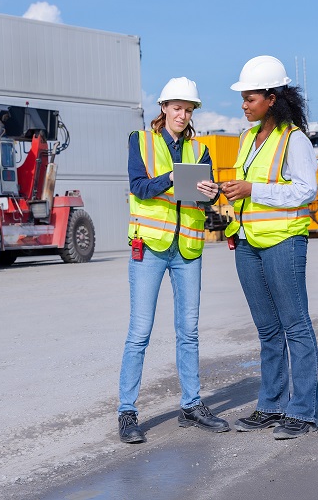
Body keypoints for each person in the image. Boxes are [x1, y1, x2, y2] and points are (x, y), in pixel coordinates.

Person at [117, 77, 228, 444]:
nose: (182, 115)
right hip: (150, 246)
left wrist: (211, 193)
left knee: (189, 331)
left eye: (188, 110)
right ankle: (127, 412)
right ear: (163, 108)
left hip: (188, 249)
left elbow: (205, 199)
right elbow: (139, 186)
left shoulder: (200, 150)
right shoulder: (141, 141)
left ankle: (191, 406)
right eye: (177, 108)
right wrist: (172, 177)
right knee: (139, 332)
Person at [216, 55, 318, 440]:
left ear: (272, 98)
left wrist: (253, 190)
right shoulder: (246, 139)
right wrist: (228, 195)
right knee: (267, 329)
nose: (244, 106)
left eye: (250, 99)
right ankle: (272, 405)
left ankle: (302, 411)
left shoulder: (294, 140)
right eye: (242, 99)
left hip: (283, 242)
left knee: (295, 325)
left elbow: (305, 191)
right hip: (247, 241)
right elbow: (247, 186)